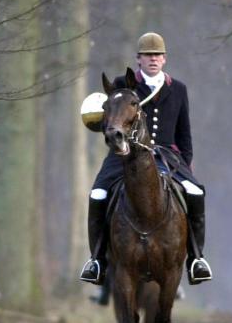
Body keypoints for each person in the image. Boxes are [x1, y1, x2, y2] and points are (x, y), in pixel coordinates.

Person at [79, 32, 213, 304]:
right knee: (97, 196)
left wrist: (183, 168)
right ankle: (97, 261)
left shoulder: (178, 89)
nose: (153, 59)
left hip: (166, 157)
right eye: (148, 55)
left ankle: (196, 259)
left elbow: (183, 135)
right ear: (138, 59)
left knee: (196, 193)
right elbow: (110, 121)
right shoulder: (122, 84)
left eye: (157, 55)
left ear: (164, 59)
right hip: (123, 156)